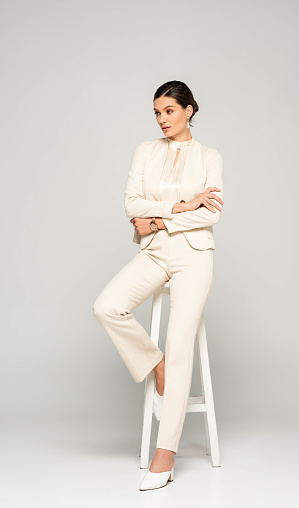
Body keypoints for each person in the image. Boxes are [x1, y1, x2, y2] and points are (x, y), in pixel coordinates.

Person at [92, 80, 224, 490]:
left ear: (189, 110)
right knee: (107, 306)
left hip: (194, 256)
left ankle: (165, 454)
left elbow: (212, 216)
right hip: (154, 252)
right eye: (157, 112)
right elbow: (131, 204)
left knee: (180, 339)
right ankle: (157, 364)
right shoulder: (145, 151)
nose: (162, 119)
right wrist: (184, 205)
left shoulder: (209, 156)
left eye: (169, 110)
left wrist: (162, 218)